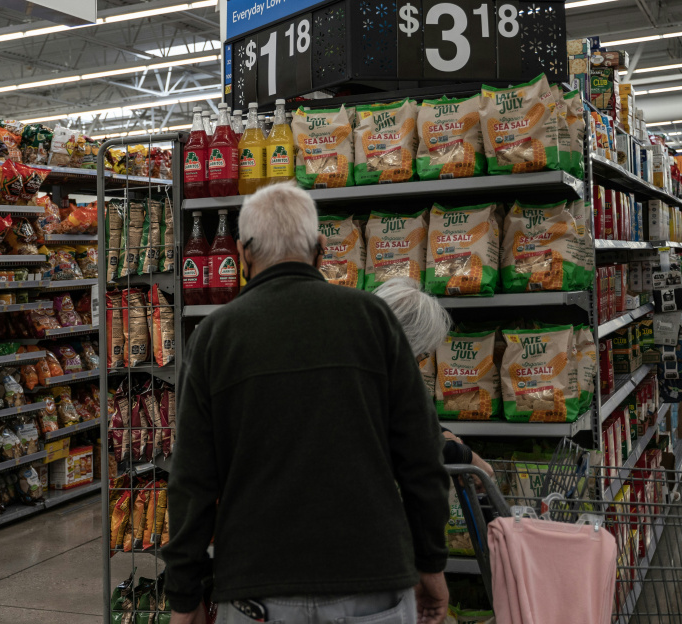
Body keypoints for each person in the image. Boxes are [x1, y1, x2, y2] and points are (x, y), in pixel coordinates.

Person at [163, 183, 451, 624]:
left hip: (258, 586)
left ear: (242, 254)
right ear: (320, 249)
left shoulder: (213, 337)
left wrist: (184, 597)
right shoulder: (373, 320)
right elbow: (421, 457)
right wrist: (431, 563)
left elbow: (192, 480)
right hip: (372, 578)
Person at [372, 278, 496, 480]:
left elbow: (406, 419)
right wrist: (465, 456)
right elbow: (404, 440)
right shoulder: (365, 379)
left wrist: (441, 434)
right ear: (405, 342)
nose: (417, 367)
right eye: (420, 356)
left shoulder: (369, 364)